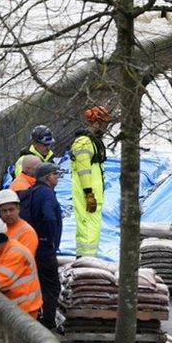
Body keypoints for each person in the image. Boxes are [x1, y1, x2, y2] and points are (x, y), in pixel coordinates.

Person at [21, 162, 64, 330]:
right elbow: (49, 216)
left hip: (34, 246)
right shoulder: (47, 194)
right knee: (52, 286)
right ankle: (49, 321)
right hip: (45, 248)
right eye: (56, 175)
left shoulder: (33, 191)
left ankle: (38, 314)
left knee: (38, 283)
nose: (58, 178)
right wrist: (50, 239)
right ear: (48, 177)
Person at [71, 106, 110, 257]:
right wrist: (88, 193)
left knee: (92, 226)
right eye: (104, 124)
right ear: (97, 122)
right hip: (87, 194)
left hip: (93, 193)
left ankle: (88, 257)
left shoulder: (92, 142)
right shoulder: (83, 143)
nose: (106, 128)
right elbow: (83, 170)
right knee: (87, 226)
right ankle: (85, 259)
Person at [0, 189, 38, 257]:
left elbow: (22, 260)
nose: (8, 214)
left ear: (18, 209)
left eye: (11, 210)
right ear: (0, 212)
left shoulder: (27, 232)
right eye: (4, 211)